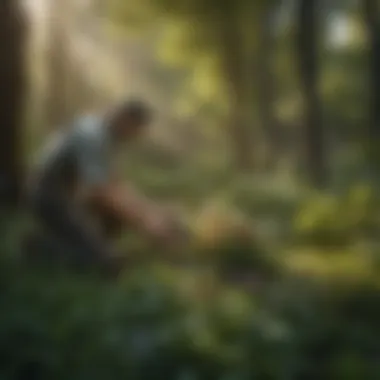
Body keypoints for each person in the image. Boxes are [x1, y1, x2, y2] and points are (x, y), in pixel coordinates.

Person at [27, 99, 178, 275]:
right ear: (126, 121)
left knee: (117, 217)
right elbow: (100, 191)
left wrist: (150, 213)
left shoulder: (110, 137)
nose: (135, 137)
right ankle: (40, 246)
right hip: (48, 195)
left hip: (72, 194)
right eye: (136, 130)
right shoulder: (93, 135)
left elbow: (117, 185)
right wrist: (146, 224)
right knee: (107, 264)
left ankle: (89, 241)